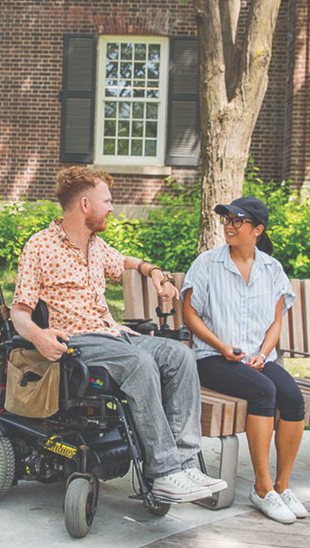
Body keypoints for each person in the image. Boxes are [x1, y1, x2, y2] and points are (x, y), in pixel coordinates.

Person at [11, 166, 226, 504]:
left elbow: (124, 261)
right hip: (78, 342)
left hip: (114, 335)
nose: (112, 208)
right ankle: (164, 471)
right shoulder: (40, 246)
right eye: (107, 201)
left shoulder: (96, 246)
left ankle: (185, 464)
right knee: (139, 362)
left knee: (181, 355)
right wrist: (39, 337)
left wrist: (153, 271)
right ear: (85, 204)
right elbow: (19, 313)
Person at [181, 196, 309, 524]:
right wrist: (221, 345)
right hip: (212, 357)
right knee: (263, 392)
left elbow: (276, 321)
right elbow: (190, 314)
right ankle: (262, 488)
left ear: (257, 229)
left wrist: (264, 354)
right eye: (226, 220)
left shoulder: (272, 269)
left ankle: (282, 485)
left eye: (237, 221)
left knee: (293, 398)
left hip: (257, 358)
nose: (229, 226)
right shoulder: (207, 263)